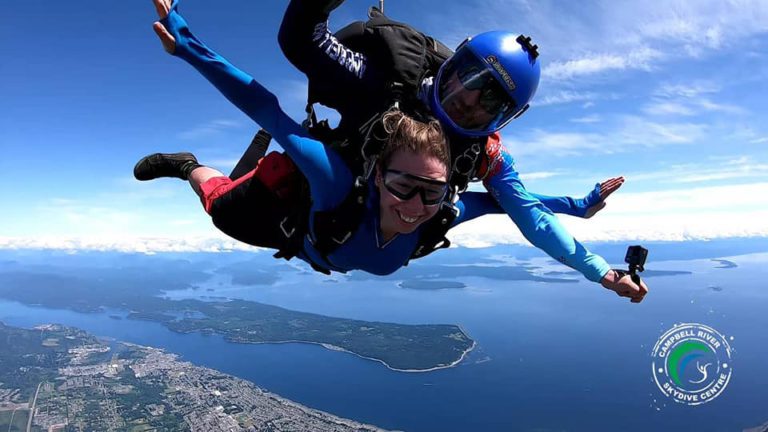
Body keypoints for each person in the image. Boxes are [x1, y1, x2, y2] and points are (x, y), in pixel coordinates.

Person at [141, 0, 646, 302]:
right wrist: (187, 45)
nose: (468, 98)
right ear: (452, 63)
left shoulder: (478, 163)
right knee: (220, 207)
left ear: (504, 119)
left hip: (332, 226)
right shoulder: (384, 88)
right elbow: (296, 48)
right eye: (467, 78)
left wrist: (597, 263)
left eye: (489, 99)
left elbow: (521, 213)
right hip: (308, 202)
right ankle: (187, 164)